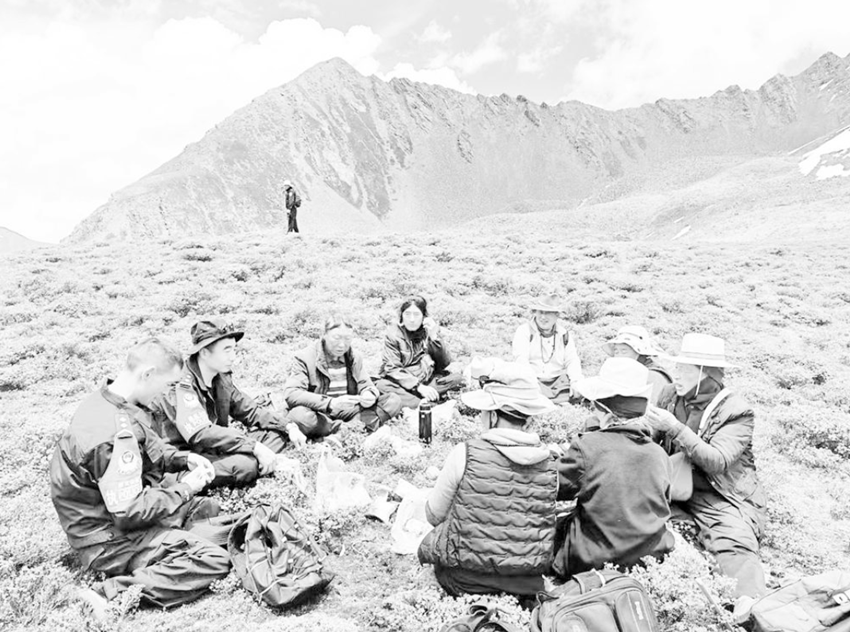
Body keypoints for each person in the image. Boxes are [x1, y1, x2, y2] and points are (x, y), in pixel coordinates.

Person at [49, 338, 230, 616]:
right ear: (147, 374)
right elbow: (129, 512)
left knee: (208, 510)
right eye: (167, 384)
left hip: (112, 518)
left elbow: (151, 448)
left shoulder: (114, 401)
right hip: (107, 540)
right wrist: (185, 488)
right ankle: (109, 594)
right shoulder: (111, 434)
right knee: (214, 559)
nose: (167, 393)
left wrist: (184, 459)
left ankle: (174, 544)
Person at [418, 358, 558, 597]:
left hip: (464, 580)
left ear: (493, 416)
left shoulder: (465, 453)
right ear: (529, 419)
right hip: (524, 585)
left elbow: (434, 515)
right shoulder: (550, 465)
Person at [645, 333, 767, 606]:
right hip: (673, 484)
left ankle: (749, 604)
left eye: (684, 369)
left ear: (705, 374)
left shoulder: (737, 411)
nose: (676, 375)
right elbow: (652, 437)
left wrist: (675, 428)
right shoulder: (670, 394)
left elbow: (717, 461)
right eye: (677, 367)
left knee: (733, 541)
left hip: (719, 493)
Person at [553, 357, 675, 579]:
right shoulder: (659, 454)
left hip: (592, 561)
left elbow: (555, 487)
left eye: (595, 407)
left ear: (606, 413)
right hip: (647, 561)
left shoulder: (588, 446)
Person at [149, 319, 307, 488]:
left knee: (276, 434)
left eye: (234, 349)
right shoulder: (182, 385)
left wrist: (288, 426)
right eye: (226, 350)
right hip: (185, 458)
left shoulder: (220, 377)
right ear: (204, 352)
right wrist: (254, 447)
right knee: (245, 465)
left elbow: (250, 410)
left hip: (216, 448)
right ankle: (253, 464)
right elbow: (201, 433)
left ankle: (257, 462)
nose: (233, 357)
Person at [284, 315, 403, 437]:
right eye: (336, 338)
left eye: (347, 339)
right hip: (320, 413)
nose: (342, 345)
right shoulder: (305, 357)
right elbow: (292, 393)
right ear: (324, 335)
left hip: (348, 410)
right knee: (299, 417)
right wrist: (330, 403)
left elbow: (365, 384)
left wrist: (369, 394)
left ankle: (341, 431)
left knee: (392, 401)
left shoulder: (354, 357)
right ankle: (353, 429)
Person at [375, 296, 466, 409]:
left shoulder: (428, 330)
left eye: (416, 314)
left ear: (423, 316)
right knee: (381, 386)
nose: (412, 319)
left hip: (425, 380)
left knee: (457, 379)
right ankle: (423, 404)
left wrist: (434, 337)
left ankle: (414, 402)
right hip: (401, 384)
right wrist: (418, 387)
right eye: (407, 314)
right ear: (402, 316)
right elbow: (393, 369)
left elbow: (443, 363)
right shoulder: (393, 335)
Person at [512, 293, 583, 403]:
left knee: (582, 389)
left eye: (548, 313)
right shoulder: (524, 331)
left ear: (556, 315)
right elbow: (521, 360)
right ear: (535, 313)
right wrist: (533, 383)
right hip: (531, 380)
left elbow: (572, 361)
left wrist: (575, 382)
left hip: (557, 383)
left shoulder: (564, 334)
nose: (543, 317)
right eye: (540, 312)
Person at [602, 325, 672, 405]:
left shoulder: (653, 376)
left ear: (639, 352)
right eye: (616, 352)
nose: (619, 356)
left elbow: (652, 408)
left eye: (624, 351)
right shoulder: (625, 372)